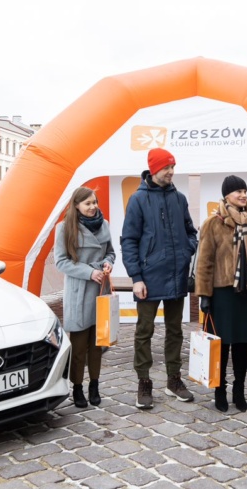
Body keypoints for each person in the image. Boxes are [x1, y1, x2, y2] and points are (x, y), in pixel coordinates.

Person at [121, 147, 198, 409]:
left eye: (173, 166)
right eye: (166, 167)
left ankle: (173, 380)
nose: (171, 171)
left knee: (175, 330)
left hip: (177, 275)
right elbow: (129, 241)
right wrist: (136, 277)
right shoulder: (138, 199)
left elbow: (190, 231)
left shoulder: (180, 199)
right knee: (144, 331)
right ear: (154, 169)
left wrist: (188, 249)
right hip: (148, 278)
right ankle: (144, 382)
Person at [196, 175, 247, 412]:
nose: (243, 195)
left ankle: (239, 390)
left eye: (244, 190)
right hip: (222, 293)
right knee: (222, 344)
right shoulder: (213, 223)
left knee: (242, 343)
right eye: (238, 191)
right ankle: (220, 389)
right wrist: (204, 296)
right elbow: (204, 262)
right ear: (226, 196)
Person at [54, 187, 116, 408]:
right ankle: (78, 386)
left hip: (100, 291)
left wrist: (107, 263)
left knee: (98, 344)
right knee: (79, 345)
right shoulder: (64, 228)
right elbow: (61, 261)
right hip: (79, 291)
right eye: (88, 203)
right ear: (77, 205)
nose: (93, 207)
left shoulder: (104, 224)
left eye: (94, 202)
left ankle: (95, 385)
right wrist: (89, 272)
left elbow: (110, 252)